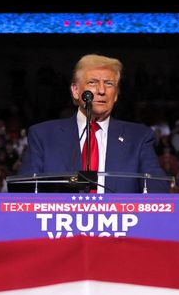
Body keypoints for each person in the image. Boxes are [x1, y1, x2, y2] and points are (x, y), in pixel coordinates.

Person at [18, 54, 169, 193]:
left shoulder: (139, 137)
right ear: (75, 91)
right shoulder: (43, 136)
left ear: (116, 94)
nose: (101, 90)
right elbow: (25, 193)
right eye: (93, 82)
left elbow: (158, 191)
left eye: (109, 83)